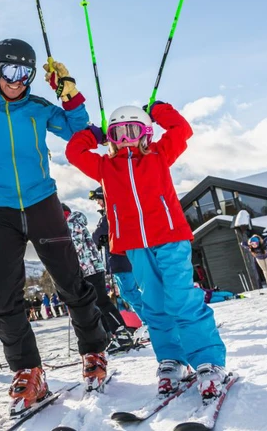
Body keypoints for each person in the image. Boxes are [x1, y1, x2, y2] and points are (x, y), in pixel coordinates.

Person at [0, 38, 108, 408]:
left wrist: (70, 94)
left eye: (26, 73)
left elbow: (80, 133)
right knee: (3, 294)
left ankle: (93, 353)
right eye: (10, 71)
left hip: (43, 203)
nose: (18, 80)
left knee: (71, 281)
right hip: (0, 211)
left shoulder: (39, 108)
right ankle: (28, 370)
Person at [66, 102, 229, 403]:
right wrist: (93, 134)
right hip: (135, 245)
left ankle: (209, 361)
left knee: (181, 299)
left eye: (133, 130)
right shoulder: (105, 167)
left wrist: (157, 109)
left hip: (170, 238)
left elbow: (182, 130)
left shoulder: (159, 154)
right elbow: (74, 153)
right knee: (153, 303)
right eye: (118, 132)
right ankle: (172, 360)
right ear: (111, 137)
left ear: (146, 133)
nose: (126, 137)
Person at [63, 202, 131, 353]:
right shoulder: (73, 223)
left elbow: (74, 247)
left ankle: (122, 334)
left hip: (89, 269)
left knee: (101, 302)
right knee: (97, 305)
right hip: (89, 268)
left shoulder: (71, 224)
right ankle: (111, 336)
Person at [89, 187, 149, 327]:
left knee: (129, 293)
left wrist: (97, 241)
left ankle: (151, 321)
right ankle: (151, 320)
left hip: (120, 260)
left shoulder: (108, 215)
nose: (98, 203)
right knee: (131, 292)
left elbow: (96, 237)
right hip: (124, 260)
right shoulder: (114, 213)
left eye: (99, 200)